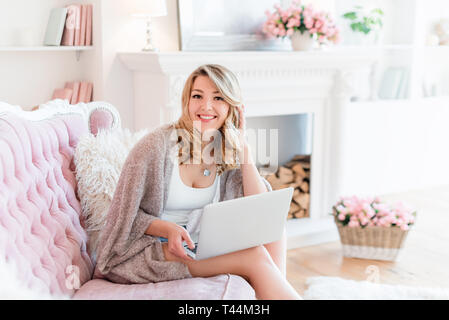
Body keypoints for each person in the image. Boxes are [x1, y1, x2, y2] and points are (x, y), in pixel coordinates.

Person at [94, 64, 301, 300]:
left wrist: (244, 148)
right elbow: (124, 216)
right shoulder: (155, 147)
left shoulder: (228, 149)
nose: (206, 106)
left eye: (218, 98)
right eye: (197, 96)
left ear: (232, 107)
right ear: (187, 100)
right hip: (154, 250)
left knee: (276, 233)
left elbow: (259, 208)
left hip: (202, 245)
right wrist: (166, 228)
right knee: (255, 257)